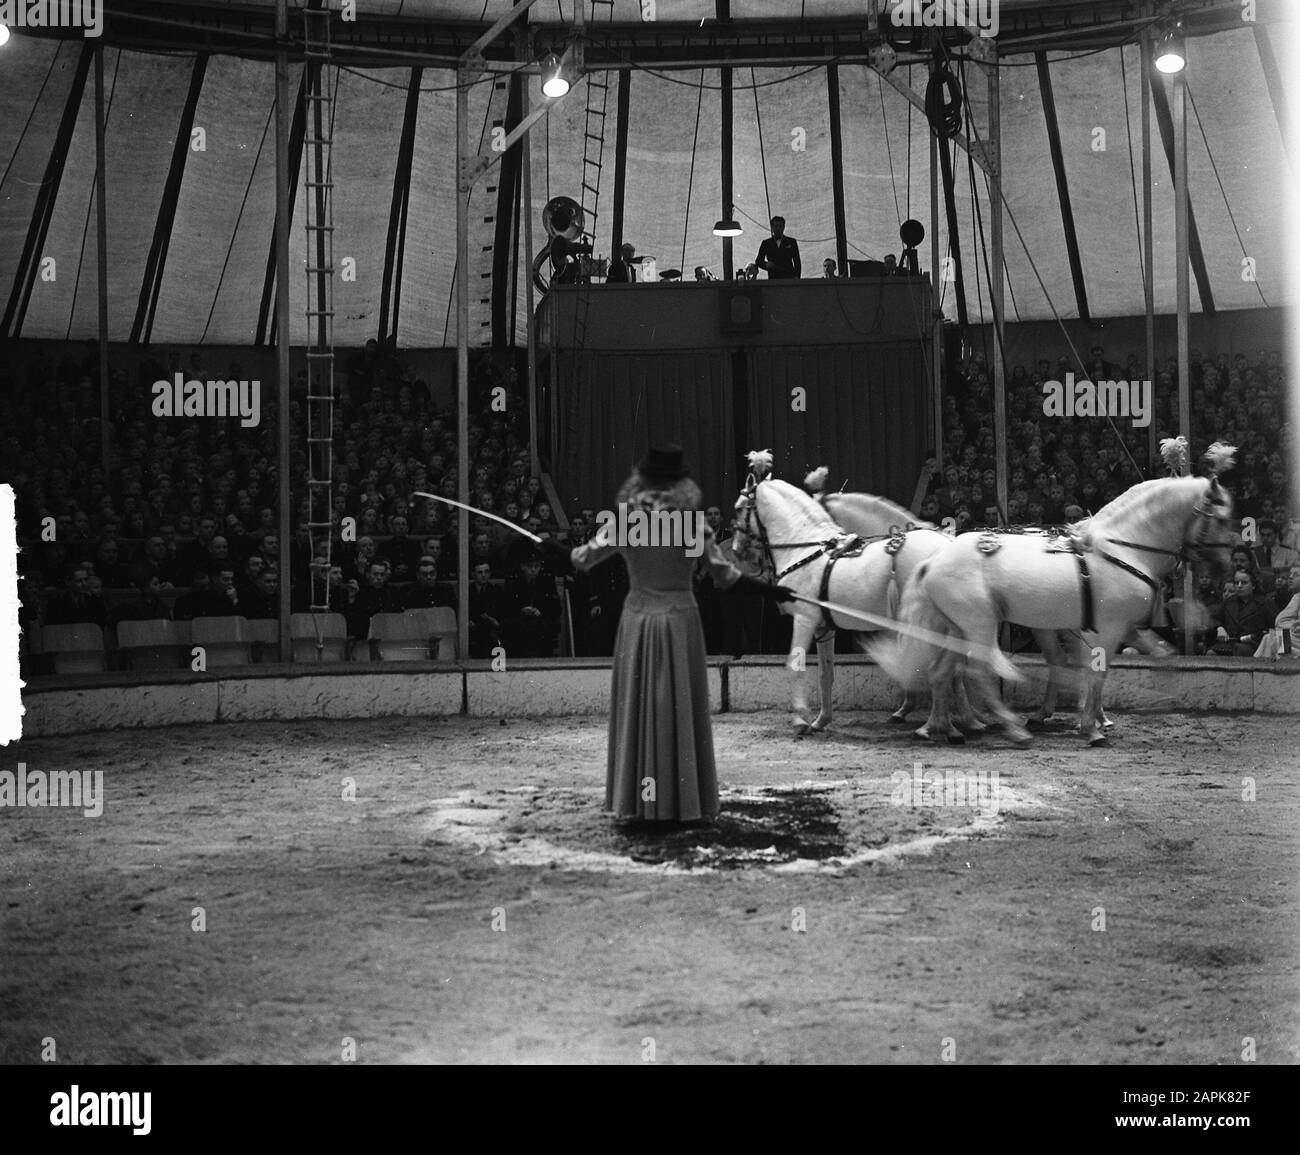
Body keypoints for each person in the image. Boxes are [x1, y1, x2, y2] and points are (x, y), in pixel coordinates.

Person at [541, 444, 794, 824]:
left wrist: (551, 547)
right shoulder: (691, 524)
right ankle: (682, 799)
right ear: (680, 483)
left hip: (639, 619)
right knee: (677, 705)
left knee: (641, 703)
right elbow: (724, 576)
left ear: (643, 480)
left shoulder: (627, 521)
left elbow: (582, 560)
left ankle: (641, 800)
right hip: (679, 621)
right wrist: (768, 589)